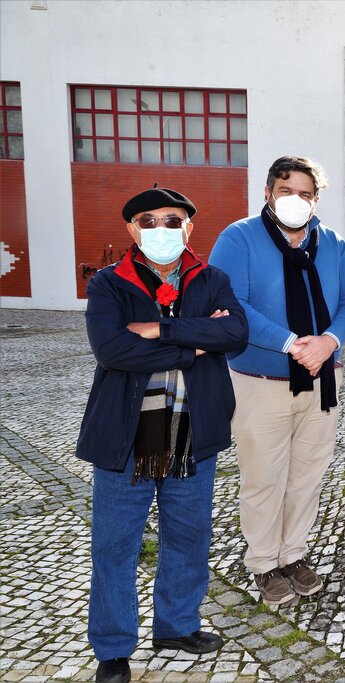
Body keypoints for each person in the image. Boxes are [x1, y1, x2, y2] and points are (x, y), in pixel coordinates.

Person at [77, 187, 248, 683]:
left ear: (189, 228)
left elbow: (234, 333)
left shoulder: (211, 278)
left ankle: (176, 625)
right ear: (131, 230)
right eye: (147, 221)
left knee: (189, 535)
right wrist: (194, 346)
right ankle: (112, 648)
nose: (160, 229)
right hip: (125, 439)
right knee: (115, 545)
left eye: (172, 220)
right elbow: (112, 351)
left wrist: (162, 331)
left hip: (195, 432)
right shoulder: (110, 284)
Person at [208, 156, 345, 605]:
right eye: (286, 190)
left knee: (307, 475)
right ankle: (263, 562)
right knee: (263, 477)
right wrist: (293, 343)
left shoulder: (330, 242)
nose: (295, 200)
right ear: (268, 193)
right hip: (261, 379)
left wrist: (329, 341)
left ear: (316, 199)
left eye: (305, 193)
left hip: (321, 379)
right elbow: (231, 304)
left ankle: (294, 553)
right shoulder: (238, 238)